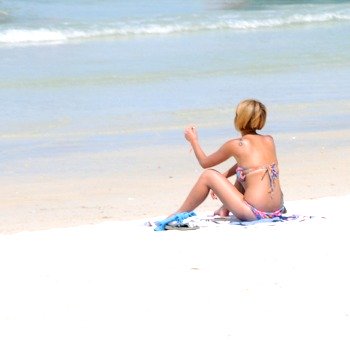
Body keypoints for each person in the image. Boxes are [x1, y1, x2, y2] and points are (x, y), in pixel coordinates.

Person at [168, 98, 286, 221]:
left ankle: (179, 213)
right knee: (244, 172)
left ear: (239, 119)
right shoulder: (269, 140)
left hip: (254, 212)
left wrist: (193, 140)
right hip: (277, 210)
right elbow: (249, 164)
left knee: (208, 175)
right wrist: (224, 176)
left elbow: (204, 162)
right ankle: (224, 209)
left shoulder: (237, 144)